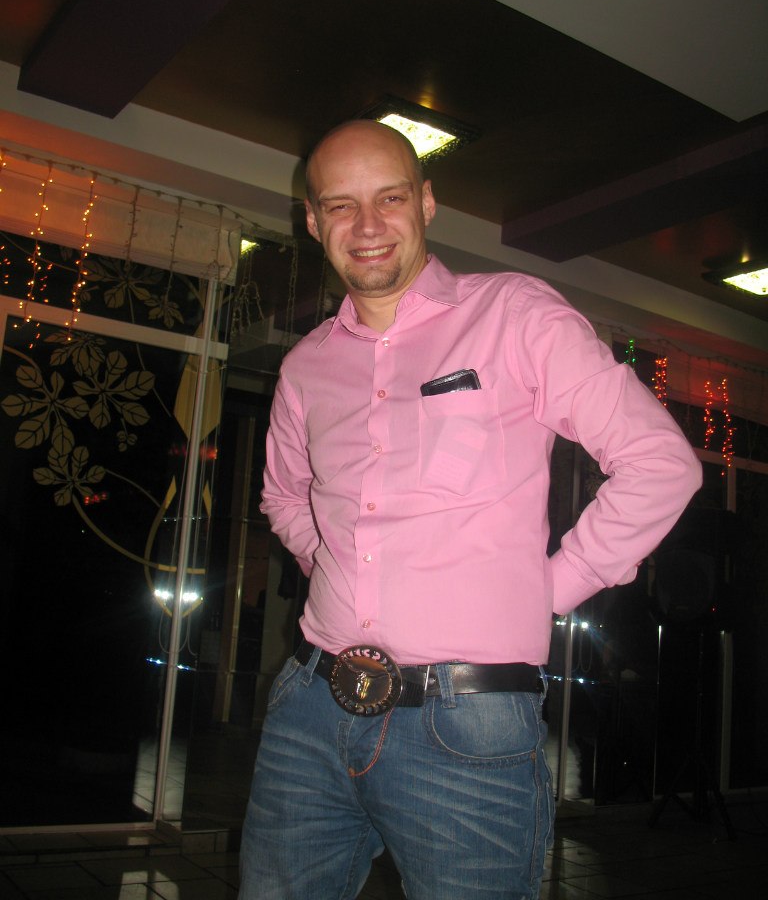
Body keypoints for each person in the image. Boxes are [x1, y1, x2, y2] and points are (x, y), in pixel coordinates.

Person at [238, 120, 702, 900]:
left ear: (426, 203)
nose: (368, 225)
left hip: (468, 727)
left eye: (389, 198)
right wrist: (332, 565)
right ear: (313, 221)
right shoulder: (306, 366)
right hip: (311, 706)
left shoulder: (514, 315)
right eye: (341, 205)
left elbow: (661, 464)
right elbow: (286, 494)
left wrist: (549, 588)